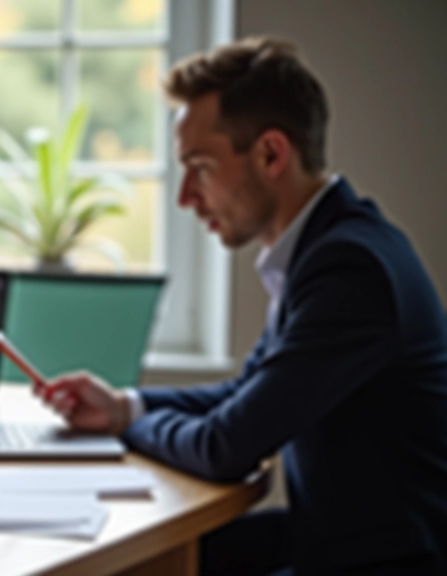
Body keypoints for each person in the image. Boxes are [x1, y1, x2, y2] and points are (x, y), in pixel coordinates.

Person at [36, 37, 447, 575]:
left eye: (199, 167)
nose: (185, 195)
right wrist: (123, 406)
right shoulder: (326, 249)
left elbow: (225, 444)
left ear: (272, 154)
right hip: (334, 542)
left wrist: (120, 426)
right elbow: (243, 396)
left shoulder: (350, 270)